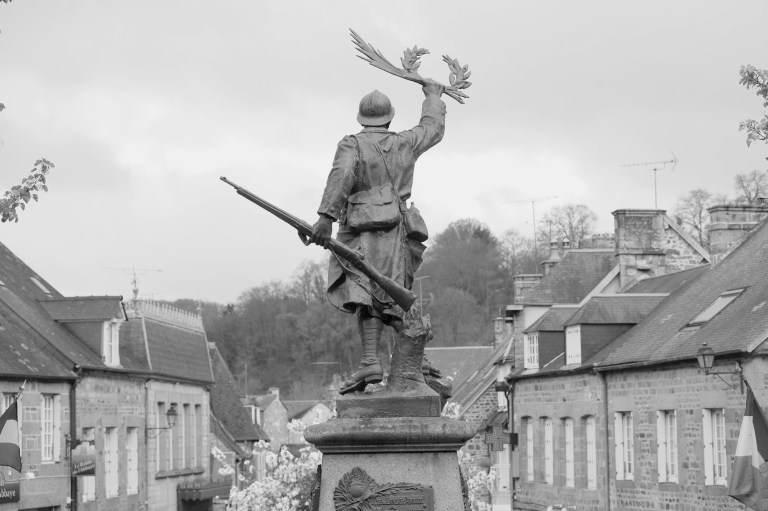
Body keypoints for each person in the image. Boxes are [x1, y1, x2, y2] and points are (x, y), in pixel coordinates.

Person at [310, 82, 446, 394]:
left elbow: (342, 175)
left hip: (359, 232)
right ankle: (412, 359)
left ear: (361, 118)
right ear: (389, 117)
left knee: (365, 291)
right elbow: (432, 129)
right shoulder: (405, 143)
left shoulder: (352, 145)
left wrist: (326, 217)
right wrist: (433, 97)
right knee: (391, 292)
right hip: (397, 232)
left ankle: (375, 360)